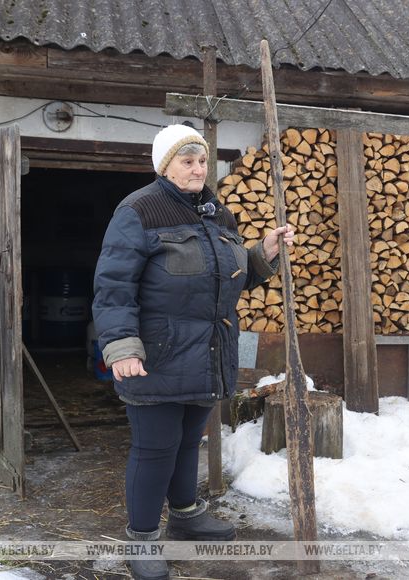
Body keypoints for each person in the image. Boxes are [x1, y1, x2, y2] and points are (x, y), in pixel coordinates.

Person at [92, 124, 293, 580]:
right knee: (155, 448)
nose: (198, 169)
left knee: (188, 441)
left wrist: (262, 254)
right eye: (187, 161)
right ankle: (142, 538)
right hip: (157, 356)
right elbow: (113, 287)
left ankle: (184, 515)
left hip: (208, 351)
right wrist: (121, 347)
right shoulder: (138, 210)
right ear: (166, 166)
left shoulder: (216, 214)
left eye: (202, 161)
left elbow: (229, 278)